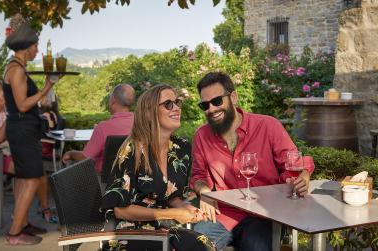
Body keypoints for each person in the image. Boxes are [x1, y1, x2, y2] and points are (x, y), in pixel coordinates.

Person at [191, 72, 315, 251]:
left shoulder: (268, 126)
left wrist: (303, 175)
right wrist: (204, 192)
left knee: (256, 247)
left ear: (233, 97)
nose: (211, 109)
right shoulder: (202, 136)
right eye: (205, 105)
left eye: (217, 101)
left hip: (264, 214)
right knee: (194, 245)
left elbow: (295, 163)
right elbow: (198, 175)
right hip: (224, 213)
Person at [101, 84, 216, 251]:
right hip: (126, 229)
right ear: (149, 112)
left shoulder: (181, 148)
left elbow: (171, 197)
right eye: (168, 104)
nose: (176, 108)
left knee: (203, 244)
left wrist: (185, 208)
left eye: (177, 102)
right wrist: (173, 214)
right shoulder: (132, 149)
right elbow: (120, 210)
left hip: (161, 226)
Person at [3, 14, 59, 245]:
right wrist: (47, 86)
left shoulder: (18, 68)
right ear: (26, 47)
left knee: (27, 180)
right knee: (34, 179)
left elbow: (26, 103)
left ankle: (23, 224)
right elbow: (22, 105)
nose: (38, 50)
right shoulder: (16, 70)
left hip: (23, 129)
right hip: (22, 131)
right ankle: (14, 234)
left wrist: (41, 103)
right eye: (36, 46)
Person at [0, 80, 58, 224]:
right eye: (4, 96)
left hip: (8, 153)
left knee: (39, 169)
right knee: (30, 170)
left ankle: (42, 208)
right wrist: (10, 116)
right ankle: (21, 216)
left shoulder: (4, 112)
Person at [62, 84, 135, 173]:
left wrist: (70, 153)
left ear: (113, 100)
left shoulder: (103, 128)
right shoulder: (141, 124)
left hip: (105, 182)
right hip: (135, 181)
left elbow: (86, 158)